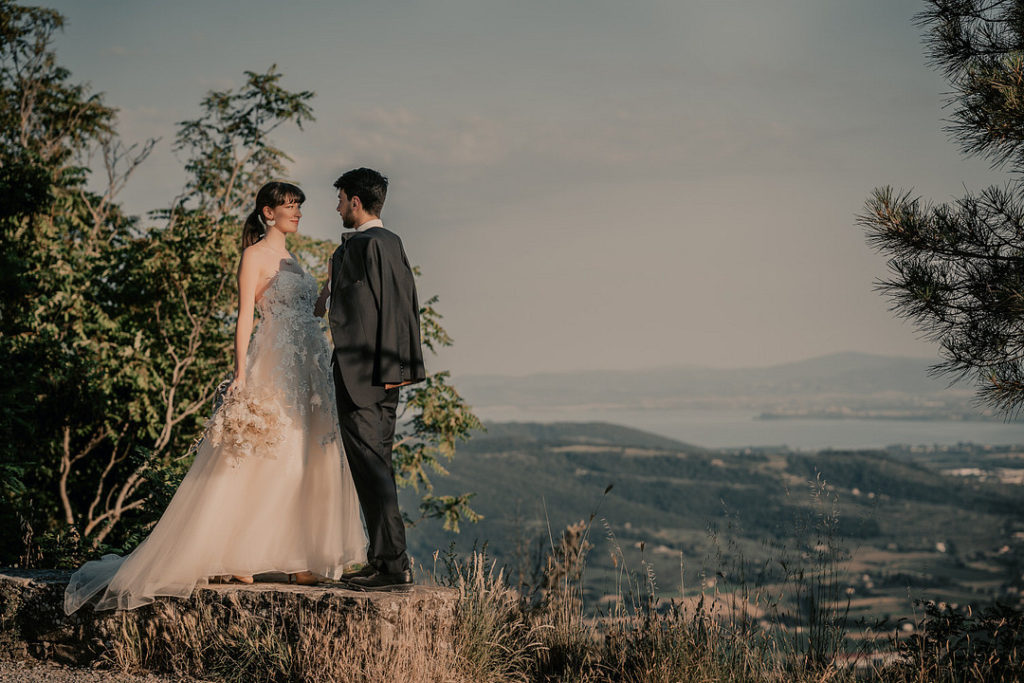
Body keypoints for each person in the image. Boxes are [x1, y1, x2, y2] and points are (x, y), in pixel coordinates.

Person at [64, 181, 367, 614]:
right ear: (268, 212)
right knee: (267, 454)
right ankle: (240, 553)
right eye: (290, 206)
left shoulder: (293, 260)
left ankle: (302, 557)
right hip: (276, 364)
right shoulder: (254, 256)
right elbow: (245, 316)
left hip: (310, 368)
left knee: (305, 455)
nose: (298, 212)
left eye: (300, 205)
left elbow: (312, 312)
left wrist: (328, 289)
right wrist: (242, 374)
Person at [314, 168, 426, 591]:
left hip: (371, 380)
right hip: (359, 375)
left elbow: (400, 309)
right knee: (370, 469)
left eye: (340, 199)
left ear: (356, 202)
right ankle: (384, 560)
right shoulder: (357, 247)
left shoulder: (380, 244)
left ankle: (392, 567)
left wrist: (394, 374)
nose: (337, 206)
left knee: (375, 470)